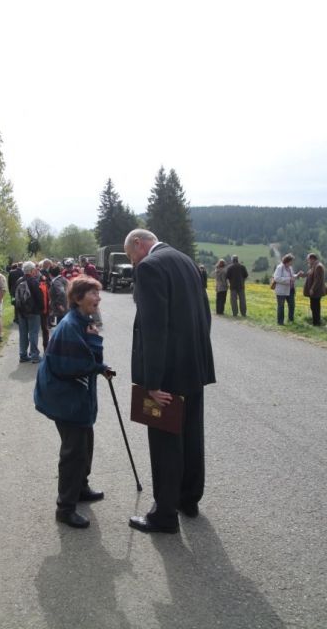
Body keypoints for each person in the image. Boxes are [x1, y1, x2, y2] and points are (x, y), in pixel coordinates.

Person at [124, 229, 215, 534]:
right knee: (191, 435)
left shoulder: (150, 267)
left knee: (164, 444)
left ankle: (164, 514)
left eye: (130, 256)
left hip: (166, 375)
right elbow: (205, 313)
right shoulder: (186, 260)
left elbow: (154, 329)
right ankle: (189, 500)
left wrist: (152, 381)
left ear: (139, 244)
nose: (133, 263)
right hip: (193, 368)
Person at [34, 276, 113, 529]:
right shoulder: (70, 326)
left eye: (98, 294)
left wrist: (99, 366)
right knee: (73, 453)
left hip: (75, 399)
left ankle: (81, 488)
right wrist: (97, 356)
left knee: (85, 445)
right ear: (78, 298)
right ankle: (65, 508)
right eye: (93, 294)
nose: (98, 299)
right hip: (65, 400)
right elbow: (74, 365)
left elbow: (86, 360)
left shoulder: (82, 321)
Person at [15, 261, 44, 363]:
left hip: (21, 312)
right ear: (32, 270)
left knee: (23, 334)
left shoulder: (19, 281)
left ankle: (23, 355)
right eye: (34, 269)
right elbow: (39, 298)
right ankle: (35, 356)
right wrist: (41, 309)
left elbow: (16, 297)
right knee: (33, 333)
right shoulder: (34, 281)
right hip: (33, 312)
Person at [273, 253, 302, 325]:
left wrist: (297, 275)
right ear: (287, 261)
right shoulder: (280, 267)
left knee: (292, 305)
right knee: (281, 306)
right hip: (281, 291)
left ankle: (291, 320)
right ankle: (280, 322)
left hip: (290, 290)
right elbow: (276, 278)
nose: (292, 262)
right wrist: (289, 279)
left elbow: (292, 276)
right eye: (291, 261)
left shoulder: (290, 268)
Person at [303, 253, 327, 326]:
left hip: (316, 291)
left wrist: (312, 289)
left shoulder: (318, 266)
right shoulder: (314, 266)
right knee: (314, 306)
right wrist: (303, 275)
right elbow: (310, 274)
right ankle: (316, 322)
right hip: (314, 291)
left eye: (308, 260)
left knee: (315, 307)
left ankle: (316, 323)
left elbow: (318, 280)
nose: (308, 261)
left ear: (312, 259)